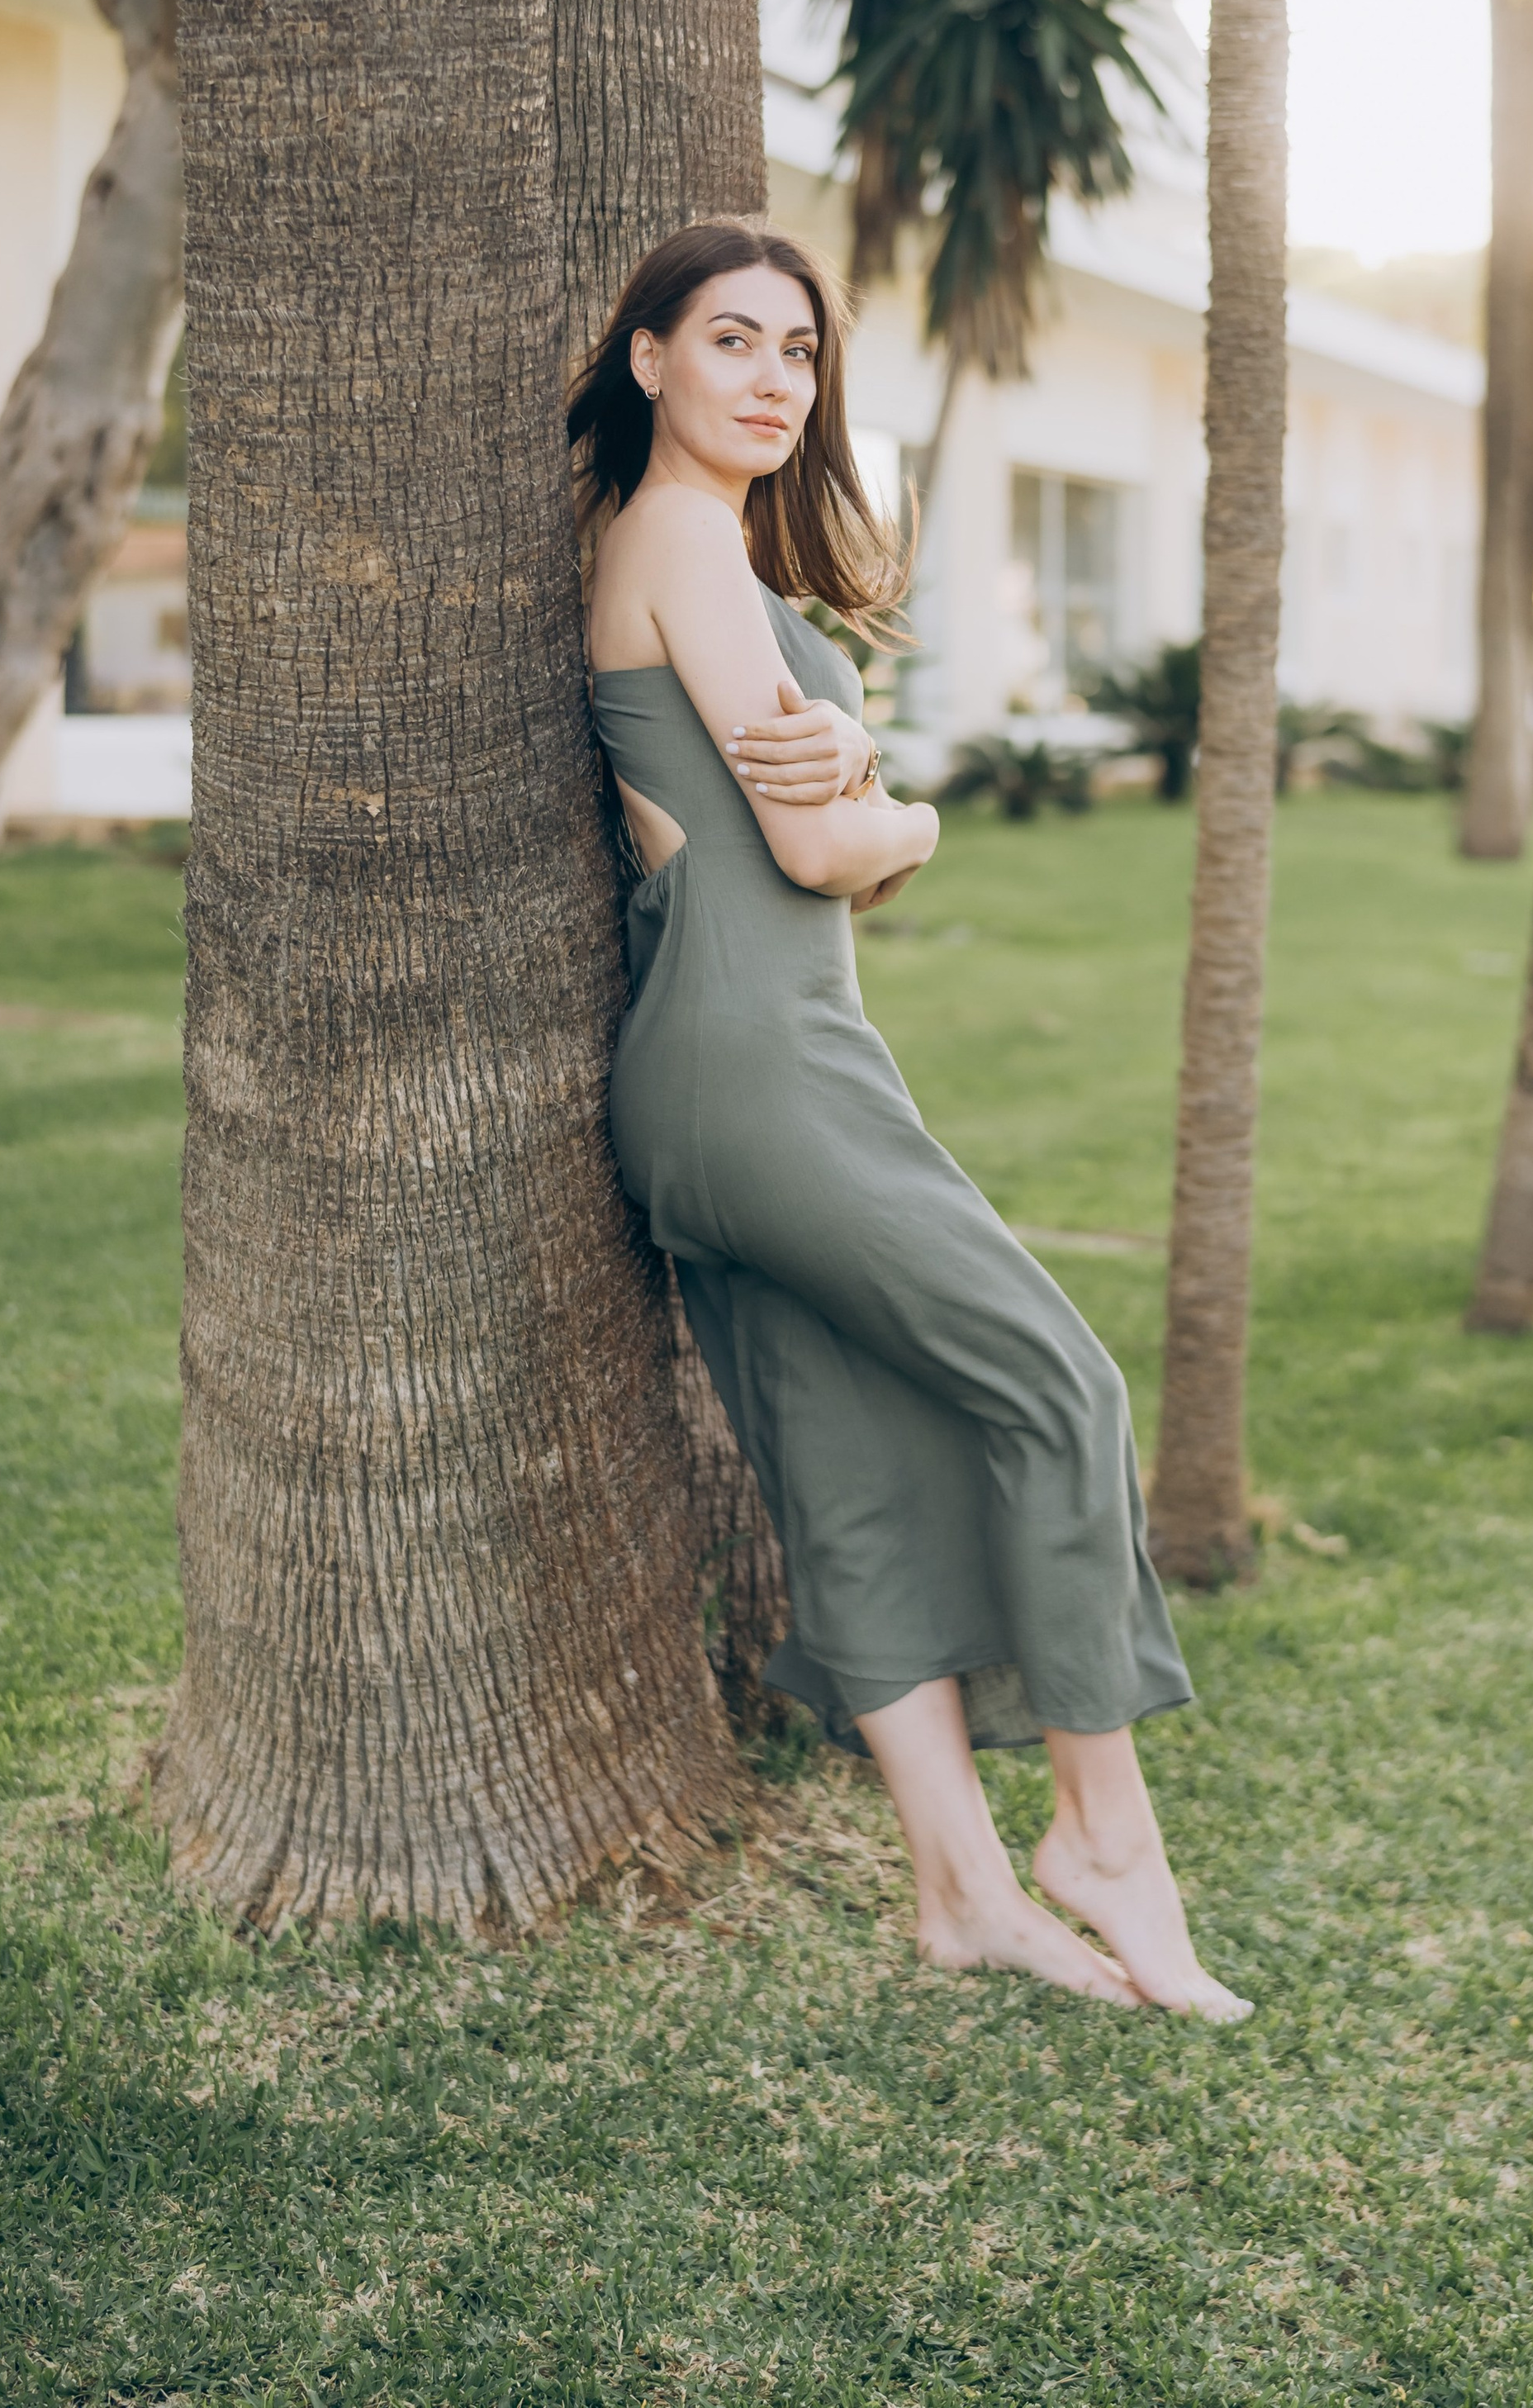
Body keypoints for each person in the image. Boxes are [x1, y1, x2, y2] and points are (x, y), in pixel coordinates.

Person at [568, 218, 1250, 2021]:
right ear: (648, 360)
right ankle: (1100, 1833)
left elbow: (800, 832)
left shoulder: (667, 547)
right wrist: (906, 813)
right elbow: (817, 851)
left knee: (852, 1483)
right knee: (1060, 1385)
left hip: (719, 1075)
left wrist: (860, 791)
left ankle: (959, 1891)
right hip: (761, 1068)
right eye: (732, 340)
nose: (775, 380)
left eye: (799, 353)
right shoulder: (685, 542)